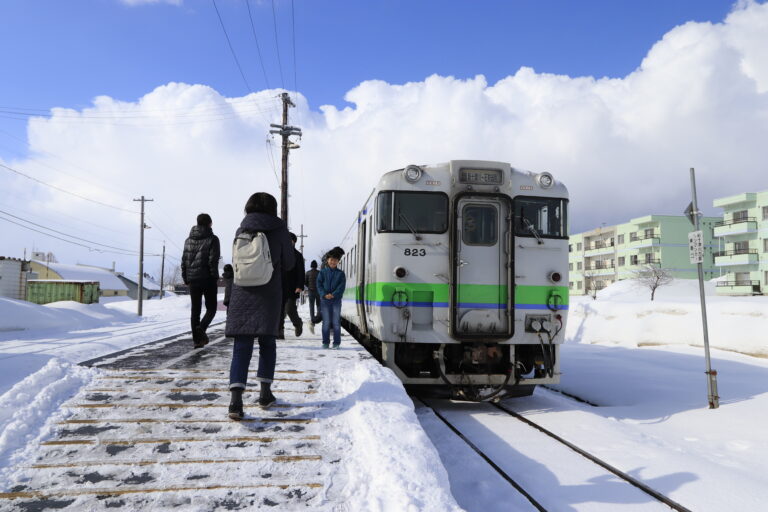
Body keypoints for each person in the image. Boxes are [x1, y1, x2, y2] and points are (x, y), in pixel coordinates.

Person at [225, 192, 294, 418]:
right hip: (268, 293)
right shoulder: (280, 229)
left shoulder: (241, 229)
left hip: (242, 292)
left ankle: (236, 402)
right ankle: (265, 394)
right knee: (267, 344)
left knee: (241, 347)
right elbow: (289, 263)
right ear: (272, 208)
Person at [181, 213, 221, 349]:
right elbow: (213, 260)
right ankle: (201, 329)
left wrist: (186, 278)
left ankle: (197, 341)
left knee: (195, 311)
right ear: (210, 223)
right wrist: (215, 277)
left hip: (193, 279)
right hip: (208, 279)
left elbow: (184, 260)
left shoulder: (188, 240)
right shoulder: (213, 239)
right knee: (212, 308)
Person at [316, 248, 346, 349]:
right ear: (328, 260)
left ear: (338, 261)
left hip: (336, 300)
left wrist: (334, 294)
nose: (333, 262)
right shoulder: (322, 272)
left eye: (335, 260)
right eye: (331, 260)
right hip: (325, 300)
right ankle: (325, 342)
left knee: (336, 322)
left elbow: (341, 286)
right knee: (326, 322)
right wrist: (324, 294)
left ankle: (336, 343)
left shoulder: (341, 274)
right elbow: (319, 284)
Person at [279, 233, 305, 339]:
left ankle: (298, 323)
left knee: (290, 309)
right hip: (279, 286)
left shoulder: (298, 255)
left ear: (294, 242)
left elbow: (301, 272)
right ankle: (279, 331)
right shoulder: (279, 253)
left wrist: (299, 285)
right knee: (279, 310)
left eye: (290, 240)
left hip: (292, 287)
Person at [305, 260, 321, 334]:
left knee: (311, 306)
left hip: (311, 291)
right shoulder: (319, 273)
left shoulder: (308, 273)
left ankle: (312, 320)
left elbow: (305, 282)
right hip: (318, 291)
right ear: (316, 266)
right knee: (318, 305)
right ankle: (317, 317)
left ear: (311, 266)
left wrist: (309, 286)